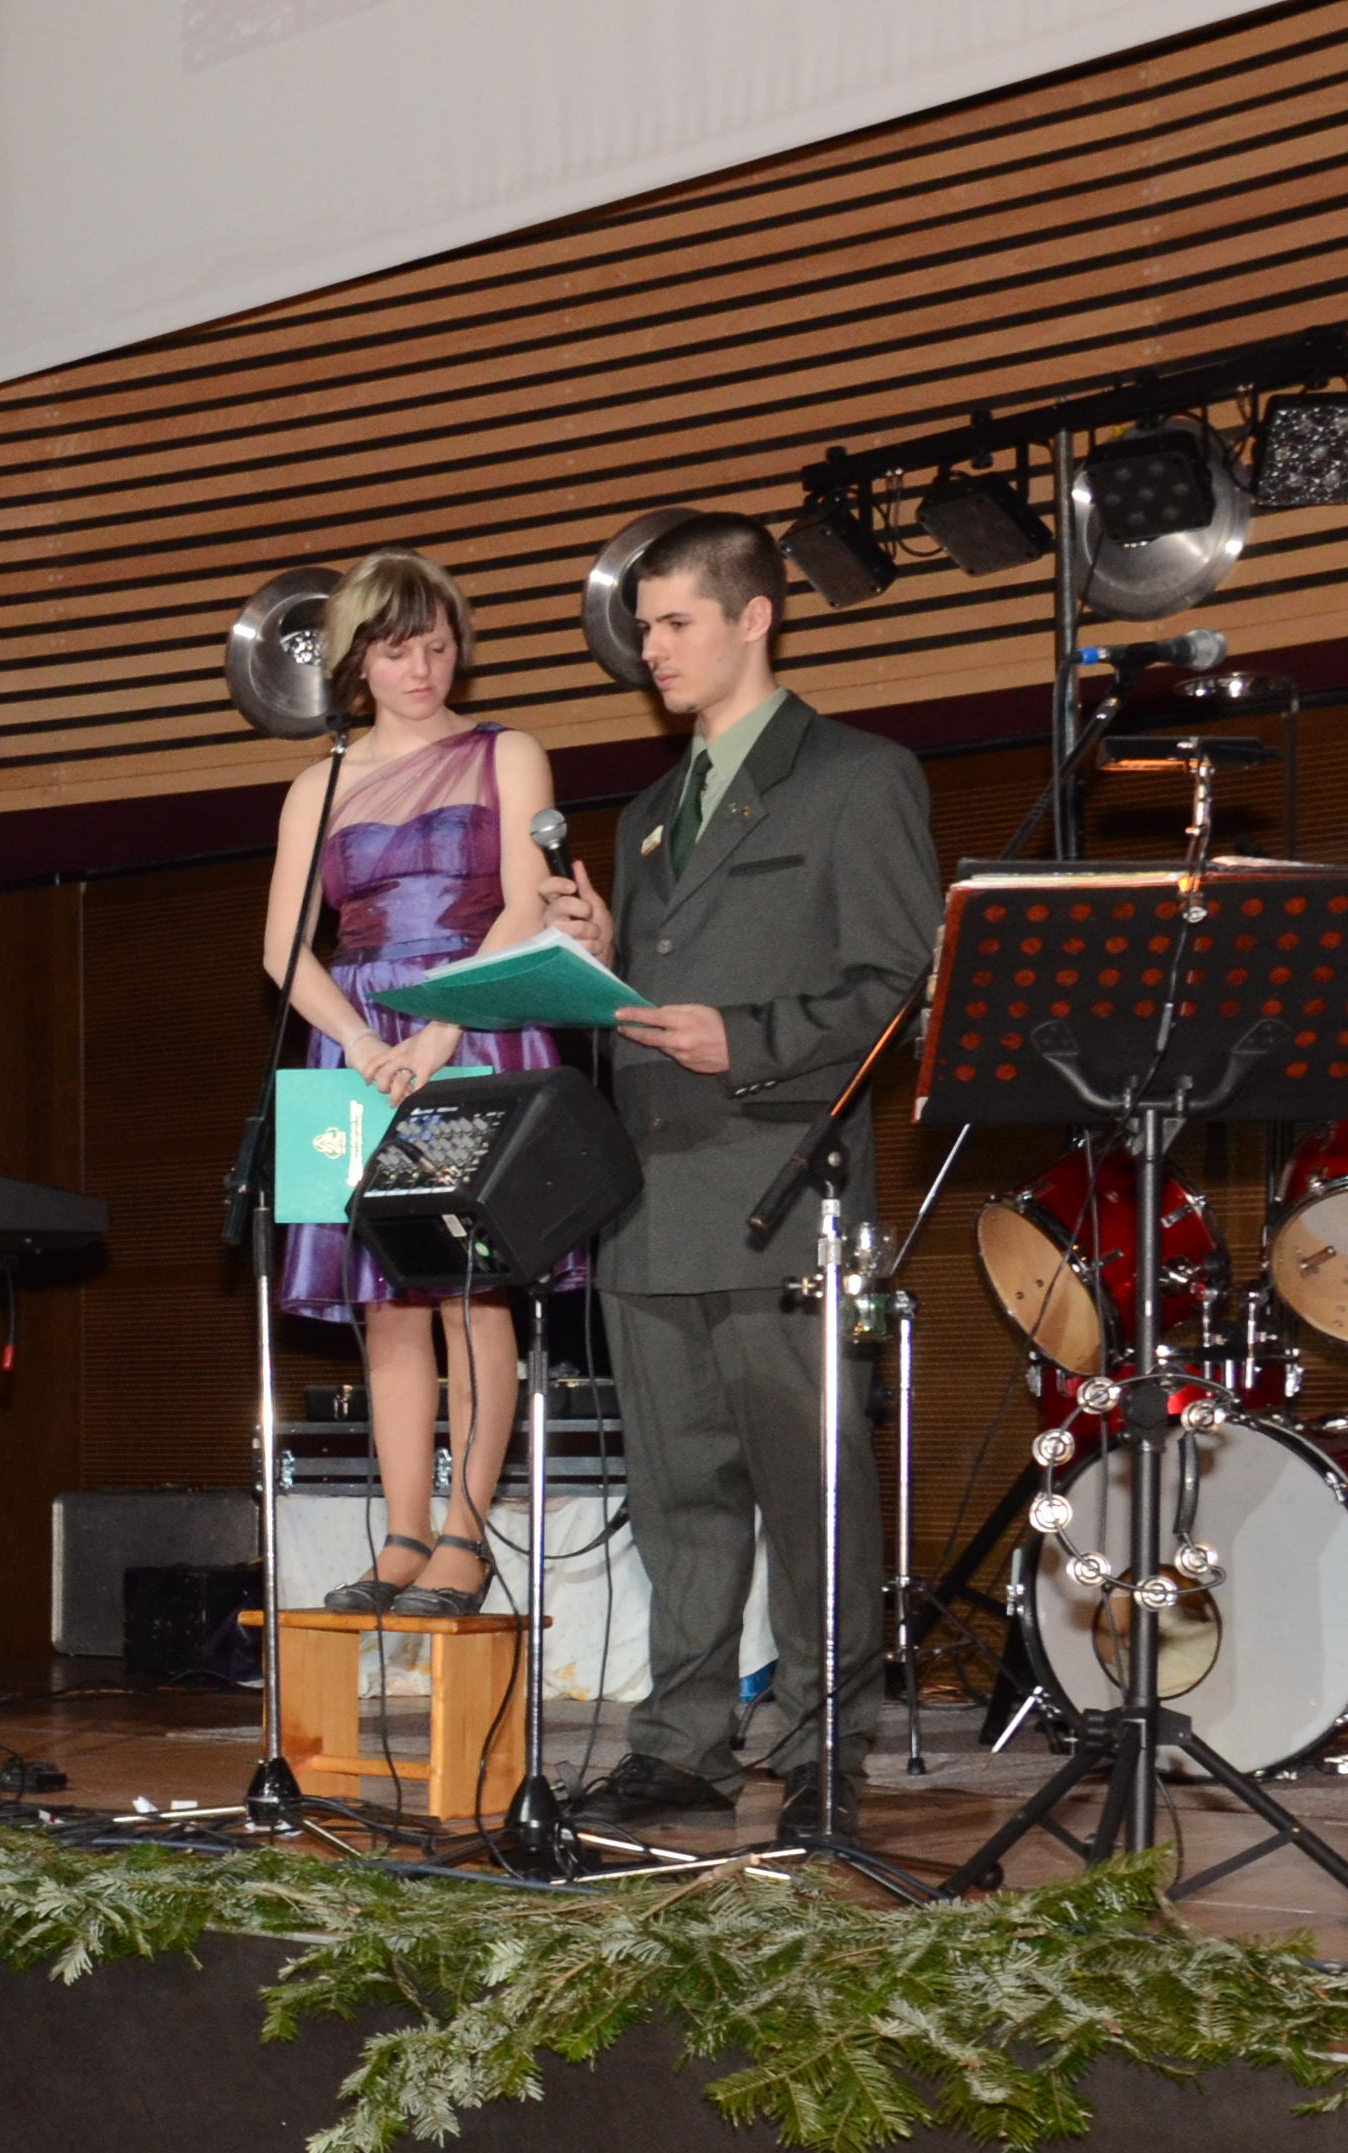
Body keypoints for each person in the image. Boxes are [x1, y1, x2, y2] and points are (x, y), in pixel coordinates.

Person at [543, 510, 936, 1836]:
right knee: (678, 1502)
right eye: (642, 628)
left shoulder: (857, 777)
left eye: (674, 623)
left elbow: (900, 987)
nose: (648, 649)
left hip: (782, 1194)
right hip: (649, 1200)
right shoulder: (651, 813)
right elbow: (661, 989)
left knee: (812, 1493)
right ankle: (684, 1745)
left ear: (754, 616)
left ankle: (826, 1748)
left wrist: (748, 1042)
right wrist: (602, 955)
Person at [258, 549, 576, 1618]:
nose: (422, 668)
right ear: (357, 661)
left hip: (475, 1024)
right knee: (386, 1303)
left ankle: (465, 1536)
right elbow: (282, 948)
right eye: (398, 651)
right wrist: (357, 1040)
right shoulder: (318, 784)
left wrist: (442, 1030)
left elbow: (527, 904)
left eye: (437, 646)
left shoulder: (507, 752)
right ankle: (401, 1536)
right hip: (356, 1043)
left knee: (469, 1291)